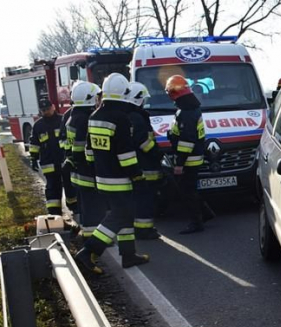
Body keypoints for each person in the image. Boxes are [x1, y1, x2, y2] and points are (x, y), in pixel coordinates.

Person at [74, 73, 150, 274]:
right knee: (119, 216)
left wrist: (96, 168)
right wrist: (137, 175)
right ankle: (89, 251)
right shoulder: (121, 118)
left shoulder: (94, 116)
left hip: (101, 177)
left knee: (125, 216)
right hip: (120, 179)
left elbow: (89, 151)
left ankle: (128, 254)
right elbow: (126, 153)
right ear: (124, 93)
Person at [165, 74, 213, 234]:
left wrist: (179, 164)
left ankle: (196, 223)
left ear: (174, 93)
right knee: (190, 189)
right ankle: (205, 214)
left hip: (188, 160)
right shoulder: (192, 108)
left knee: (187, 192)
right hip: (194, 156)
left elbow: (187, 140)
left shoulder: (185, 112)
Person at [67, 81, 108, 240]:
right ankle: (93, 241)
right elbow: (81, 148)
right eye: (97, 97)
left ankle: (88, 235)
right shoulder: (85, 119)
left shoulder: (73, 117)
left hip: (77, 172)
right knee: (94, 208)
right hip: (86, 171)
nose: (99, 101)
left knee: (86, 206)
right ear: (89, 99)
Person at [126, 82, 162, 240]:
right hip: (145, 165)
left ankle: (141, 228)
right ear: (137, 99)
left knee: (139, 198)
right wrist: (156, 152)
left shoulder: (128, 115)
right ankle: (144, 230)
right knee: (144, 199)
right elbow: (143, 141)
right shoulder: (136, 117)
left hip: (136, 164)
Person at [29, 98, 77, 215]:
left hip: (64, 161)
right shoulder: (38, 126)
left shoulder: (63, 120)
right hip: (49, 164)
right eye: (43, 110)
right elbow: (34, 143)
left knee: (70, 185)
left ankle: (74, 207)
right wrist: (33, 159)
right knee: (52, 188)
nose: (47, 111)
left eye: (48, 108)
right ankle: (54, 212)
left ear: (53, 107)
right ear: (40, 111)